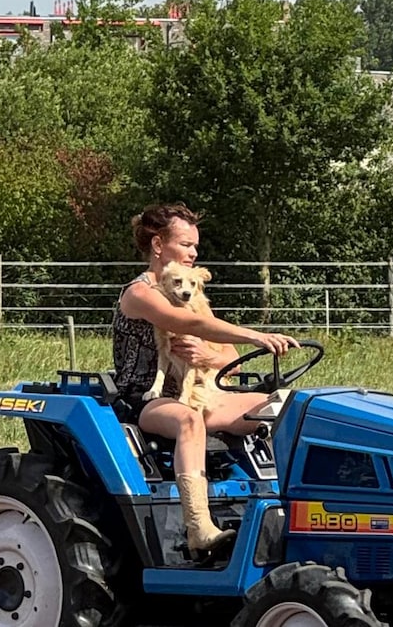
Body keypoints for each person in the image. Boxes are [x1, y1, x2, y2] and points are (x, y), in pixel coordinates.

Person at [113, 202, 298, 553]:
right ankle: (198, 527)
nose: (193, 253)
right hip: (147, 400)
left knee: (285, 405)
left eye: (195, 246)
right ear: (157, 246)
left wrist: (208, 354)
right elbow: (187, 323)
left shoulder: (194, 293)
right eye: (185, 244)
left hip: (203, 389)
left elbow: (228, 358)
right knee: (188, 420)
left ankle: (290, 512)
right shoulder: (140, 294)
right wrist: (256, 335)